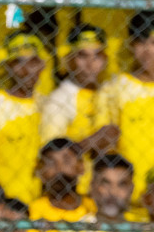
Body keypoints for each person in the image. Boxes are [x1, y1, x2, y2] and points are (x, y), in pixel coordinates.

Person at [96, 12, 154, 201]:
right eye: (141, 43)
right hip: (122, 192)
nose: (147, 51)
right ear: (131, 45)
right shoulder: (114, 88)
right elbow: (106, 145)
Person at [0, 31, 47, 203]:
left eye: (33, 62)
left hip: (41, 201)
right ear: (9, 67)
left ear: (42, 65)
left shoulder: (48, 105)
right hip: (2, 201)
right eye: (19, 62)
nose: (26, 70)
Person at [39, 24, 114, 182]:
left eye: (97, 56)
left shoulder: (110, 92)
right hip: (76, 188)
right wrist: (92, 141)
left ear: (106, 59)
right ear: (70, 59)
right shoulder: (60, 99)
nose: (90, 64)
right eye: (82, 56)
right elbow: (52, 157)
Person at [28, 138, 95, 232]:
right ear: (41, 170)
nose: (59, 169)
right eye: (51, 162)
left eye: (66, 161)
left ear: (80, 167)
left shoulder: (92, 209)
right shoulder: (34, 211)